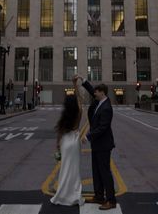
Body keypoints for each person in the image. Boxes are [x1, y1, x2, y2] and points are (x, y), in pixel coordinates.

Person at [76, 76, 116, 211]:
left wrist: (88, 136)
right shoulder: (100, 102)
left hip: (104, 145)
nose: (94, 94)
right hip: (97, 144)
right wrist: (83, 81)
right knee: (96, 171)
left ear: (102, 93)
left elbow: (103, 127)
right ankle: (99, 196)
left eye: (96, 92)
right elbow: (91, 90)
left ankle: (111, 200)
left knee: (105, 172)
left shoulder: (106, 108)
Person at [50, 77, 85, 206]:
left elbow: (60, 133)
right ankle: (74, 194)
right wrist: (75, 85)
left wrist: (58, 147)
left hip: (65, 142)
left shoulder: (65, 117)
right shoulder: (79, 112)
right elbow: (80, 99)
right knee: (74, 170)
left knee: (64, 168)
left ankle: (62, 194)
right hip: (74, 142)